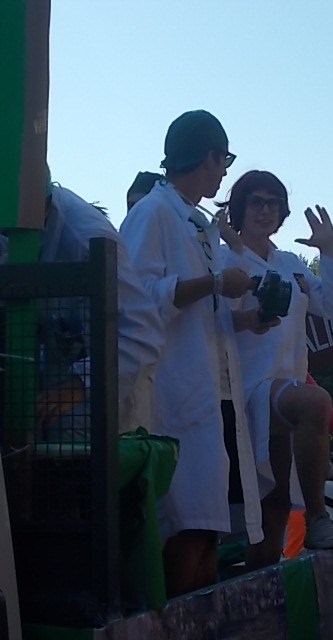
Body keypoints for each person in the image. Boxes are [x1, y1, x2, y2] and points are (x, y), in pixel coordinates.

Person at [119, 110, 275, 597]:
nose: (224, 172)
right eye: (224, 161)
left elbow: (199, 314)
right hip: (172, 397)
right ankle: (171, 624)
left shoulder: (195, 221)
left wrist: (246, 318)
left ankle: (198, 623)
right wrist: (215, 282)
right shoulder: (153, 213)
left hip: (212, 396)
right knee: (186, 529)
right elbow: (136, 298)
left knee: (209, 531)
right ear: (209, 156)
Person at [221, 170, 333, 568]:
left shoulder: (290, 263)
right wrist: (249, 315)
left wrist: (329, 251)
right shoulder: (223, 257)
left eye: (274, 203)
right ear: (239, 207)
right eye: (256, 202)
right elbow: (213, 318)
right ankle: (317, 517)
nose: (265, 210)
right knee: (316, 402)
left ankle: (263, 582)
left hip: (283, 390)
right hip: (244, 389)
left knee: (276, 505)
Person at [35, 168, 164, 439]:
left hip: (107, 418)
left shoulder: (86, 237)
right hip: (48, 408)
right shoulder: (25, 228)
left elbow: (143, 333)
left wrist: (80, 383)